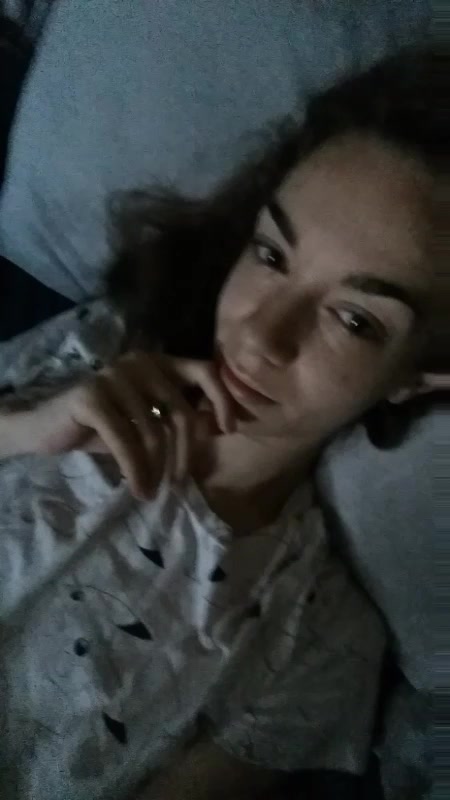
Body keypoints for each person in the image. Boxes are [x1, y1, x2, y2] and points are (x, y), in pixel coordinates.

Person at [0, 48, 444, 800]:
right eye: (271, 253)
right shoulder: (97, 347)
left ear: (418, 376)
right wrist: (21, 430)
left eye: (353, 318)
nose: (261, 333)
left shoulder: (316, 641)